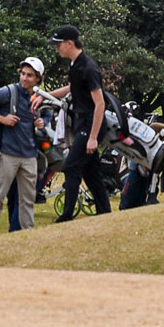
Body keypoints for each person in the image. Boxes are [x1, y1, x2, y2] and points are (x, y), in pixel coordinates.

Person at [47, 24, 110, 221]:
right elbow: (71, 87)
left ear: (70, 43)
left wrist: (93, 137)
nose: (57, 49)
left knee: (71, 166)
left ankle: (67, 215)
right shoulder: (76, 65)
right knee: (91, 172)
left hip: (90, 126)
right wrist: (45, 96)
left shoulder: (89, 68)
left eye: (59, 45)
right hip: (81, 123)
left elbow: (100, 104)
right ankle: (105, 212)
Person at [0, 57, 48, 234]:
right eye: (23, 74)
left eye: (29, 75)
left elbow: (48, 113)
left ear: (38, 79)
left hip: (30, 155)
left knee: (28, 200)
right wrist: (1, 118)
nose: (24, 78)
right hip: (7, 154)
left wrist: (42, 122)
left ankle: (27, 235)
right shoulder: (8, 92)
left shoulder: (40, 97)